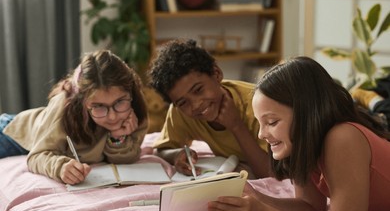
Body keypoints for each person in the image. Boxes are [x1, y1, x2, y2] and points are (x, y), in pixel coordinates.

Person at [208, 56, 390, 211]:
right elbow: (310, 206)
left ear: (306, 114)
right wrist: (258, 198)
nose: (261, 134)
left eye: (271, 122)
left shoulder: (343, 137)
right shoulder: (304, 146)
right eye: (260, 123)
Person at [0, 50, 148, 185]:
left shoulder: (135, 106)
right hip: (13, 135)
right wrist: (60, 167)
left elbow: (128, 159)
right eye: (98, 106)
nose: (112, 116)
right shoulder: (63, 105)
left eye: (119, 102)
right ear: (82, 101)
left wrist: (117, 138)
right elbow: (36, 157)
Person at [149, 39, 270, 179]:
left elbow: (270, 172)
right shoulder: (180, 111)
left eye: (198, 90)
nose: (195, 105)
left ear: (217, 73)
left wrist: (236, 126)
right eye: (183, 102)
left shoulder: (259, 105)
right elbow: (161, 150)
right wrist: (176, 154)